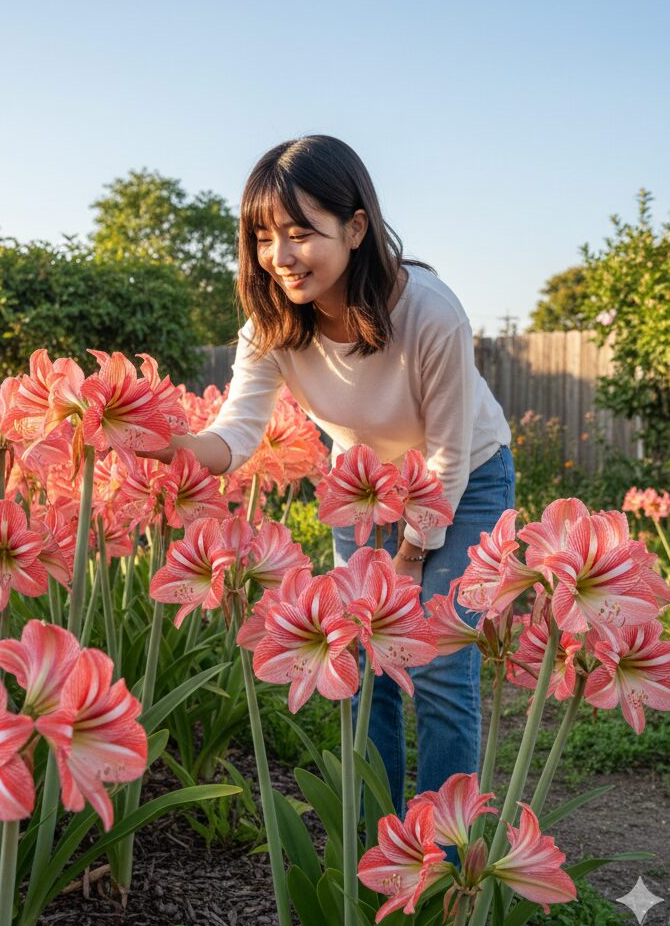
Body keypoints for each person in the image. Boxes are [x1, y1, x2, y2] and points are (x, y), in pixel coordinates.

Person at [149, 134, 513, 814]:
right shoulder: (270, 325)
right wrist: (173, 446)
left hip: (466, 481)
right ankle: (378, 840)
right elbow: (236, 434)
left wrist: (411, 556)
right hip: (364, 489)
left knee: (439, 667)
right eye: (263, 238)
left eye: (299, 233)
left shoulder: (430, 312)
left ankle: (443, 846)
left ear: (355, 227)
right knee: (364, 661)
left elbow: (446, 459)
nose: (280, 257)